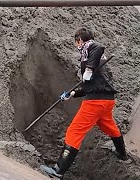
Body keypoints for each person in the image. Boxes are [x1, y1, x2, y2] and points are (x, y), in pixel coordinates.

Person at [40, 28, 127, 179]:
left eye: (76, 42)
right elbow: (89, 85)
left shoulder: (91, 49)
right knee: (109, 126)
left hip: (95, 102)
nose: (77, 45)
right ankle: (122, 154)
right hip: (107, 101)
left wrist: (89, 68)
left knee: (74, 132)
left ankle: (58, 170)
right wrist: (72, 94)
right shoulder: (100, 61)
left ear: (79, 40)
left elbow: (98, 47)